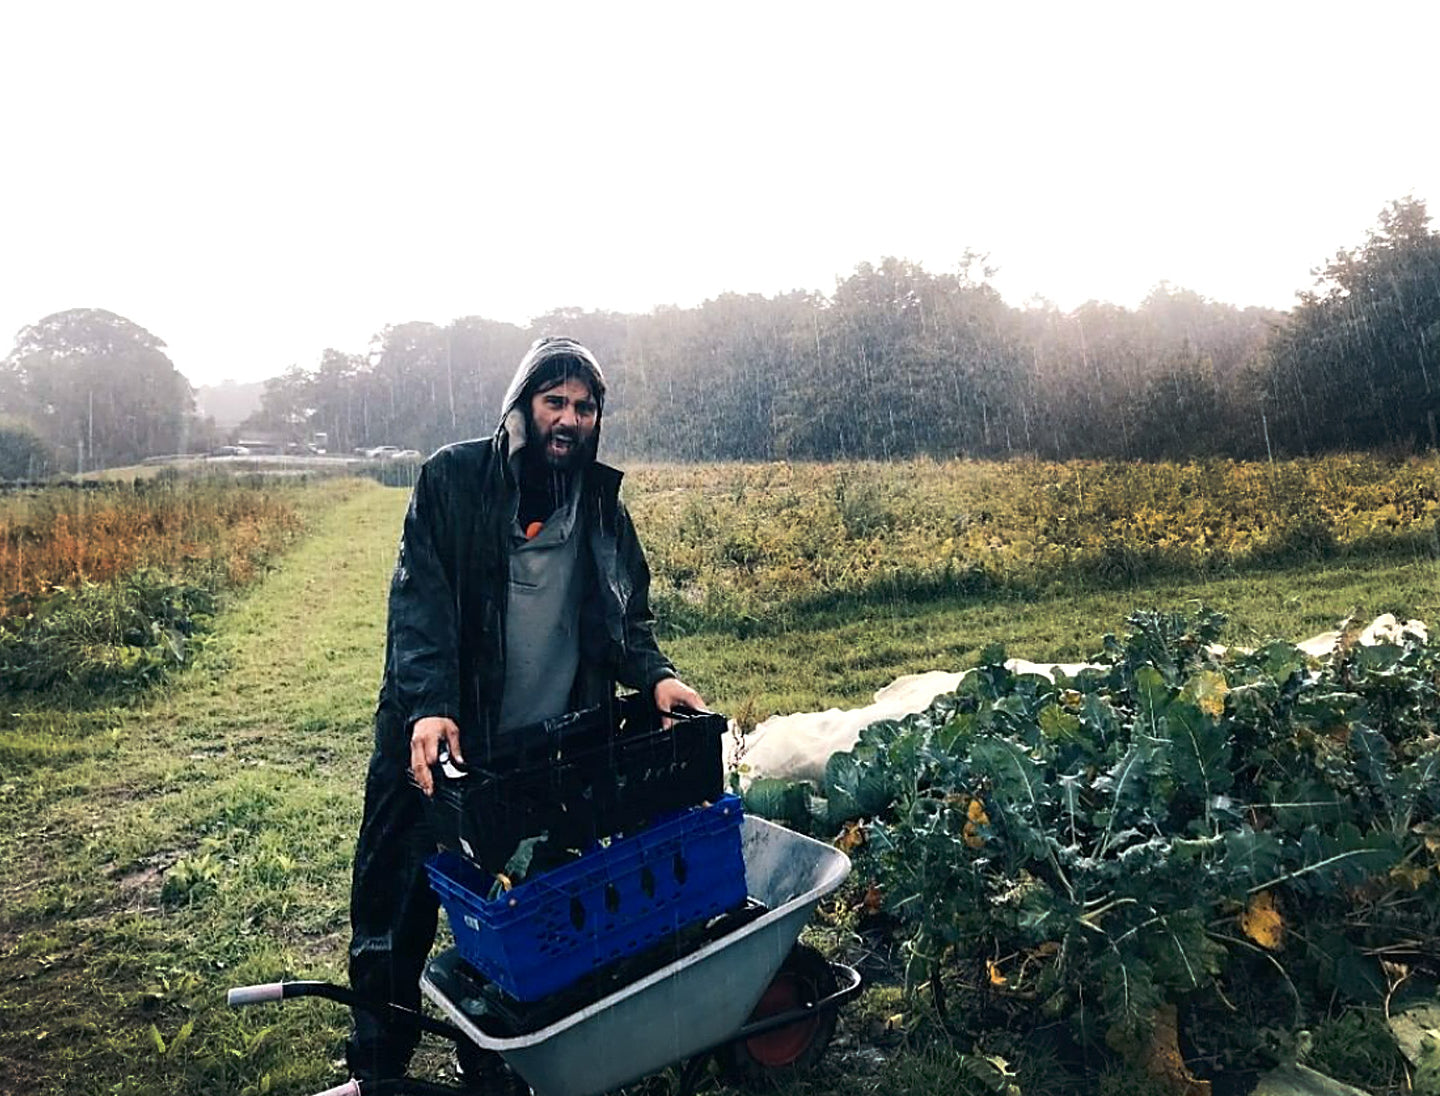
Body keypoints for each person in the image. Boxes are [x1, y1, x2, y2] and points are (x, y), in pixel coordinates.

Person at [346, 336, 705, 1082]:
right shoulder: (452, 481)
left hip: (538, 754)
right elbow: (421, 608)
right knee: (394, 910)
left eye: (585, 405)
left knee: (521, 919)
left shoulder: (602, 510)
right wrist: (431, 707)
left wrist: (657, 676)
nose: (570, 419)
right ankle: (378, 1070)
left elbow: (625, 622)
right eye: (555, 402)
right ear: (521, 407)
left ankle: (503, 1065)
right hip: (436, 741)